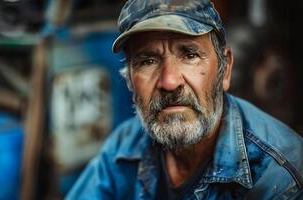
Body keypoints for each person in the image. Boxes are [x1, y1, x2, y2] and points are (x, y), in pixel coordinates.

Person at [66, 0, 303, 199]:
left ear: (225, 69)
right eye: (147, 60)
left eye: (190, 55)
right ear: (130, 80)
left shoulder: (278, 176)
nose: (169, 82)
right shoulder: (124, 147)